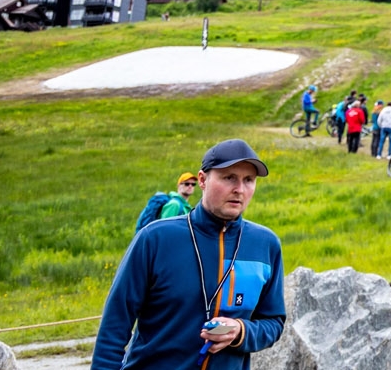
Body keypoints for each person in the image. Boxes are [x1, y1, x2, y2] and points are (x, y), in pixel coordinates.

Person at [92, 139, 286, 370]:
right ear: (203, 180)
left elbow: (273, 322)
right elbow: (115, 323)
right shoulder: (155, 239)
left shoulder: (265, 245)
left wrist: (240, 331)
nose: (239, 189)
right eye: (229, 178)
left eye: (249, 180)